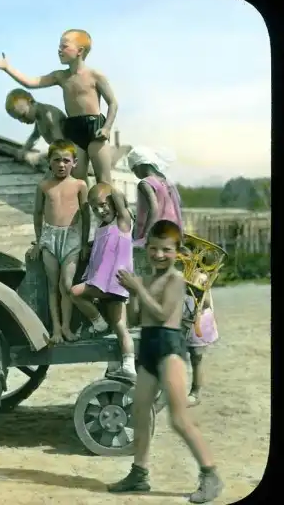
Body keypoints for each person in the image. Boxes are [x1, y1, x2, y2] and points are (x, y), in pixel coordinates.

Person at [111, 220, 223, 504]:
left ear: (178, 252)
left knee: (179, 418)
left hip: (169, 348)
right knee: (140, 411)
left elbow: (162, 314)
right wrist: (132, 293)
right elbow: (135, 319)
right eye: (154, 249)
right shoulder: (146, 281)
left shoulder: (175, 280)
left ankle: (210, 474)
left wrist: (138, 288)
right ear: (147, 248)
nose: (159, 255)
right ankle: (139, 473)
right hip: (148, 346)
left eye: (166, 250)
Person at [0, 29, 118, 185]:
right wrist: (7, 68)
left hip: (94, 127)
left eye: (64, 46)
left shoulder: (95, 75)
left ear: (80, 51)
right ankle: (84, 202)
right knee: (77, 181)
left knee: (104, 182)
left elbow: (113, 103)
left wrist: (107, 128)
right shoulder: (60, 76)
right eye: (59, 46)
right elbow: (31, 82)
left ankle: (113, 202)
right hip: (74, 129)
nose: (59, 50)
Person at [70, 183, 137, 379]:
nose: (100, 211)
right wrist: (89, 246)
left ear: (113, 202)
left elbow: (116, 194)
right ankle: (124, 365)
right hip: (104, 284)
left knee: (74, 292)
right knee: (119, 326)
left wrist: (110, 190)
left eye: (103, 204)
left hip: (113, 282)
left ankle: (98, 323)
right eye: (94, 208)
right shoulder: (101, 228)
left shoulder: (122, 222)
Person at [27, 139, 90, 344]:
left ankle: (66, 327)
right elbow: (37, 213)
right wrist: (39, 241)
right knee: (53, 286)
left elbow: (86, 215)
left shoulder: (80, 185)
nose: (61, 165)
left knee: (67, 285)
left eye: (66, 160)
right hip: (50, 237)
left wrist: (84, 242)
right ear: (49, 162)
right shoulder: (44, 186)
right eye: (56, 160)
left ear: (74, 163)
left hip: (72, 237)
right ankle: (55, 329)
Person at [126, 146, 183, 275]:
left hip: (154, 233)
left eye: (134, 170)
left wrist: (146, 236)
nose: (135, 174)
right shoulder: (168, 183)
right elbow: (177, 207)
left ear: (139, 166)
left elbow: (154, 208)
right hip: (170, 232)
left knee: (145, 271)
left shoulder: (145, 183)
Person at [183, 269, 218, 407]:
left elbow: (206, 302)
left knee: (196, 357)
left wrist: (196, 291)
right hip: (181, 319)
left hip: (198, 320)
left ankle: (195, 392)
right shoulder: (178, 273)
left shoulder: (201, 276)